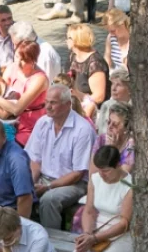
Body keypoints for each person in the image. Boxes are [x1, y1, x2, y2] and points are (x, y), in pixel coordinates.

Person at [25, 85, 96, 231]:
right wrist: (30, 183)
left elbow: (78, 173)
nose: (48, 107)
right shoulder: (42, 123)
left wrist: (48, 187)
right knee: (21, 188)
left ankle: (51, 244)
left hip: (74, 184)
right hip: (44, 177)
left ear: (67, 105)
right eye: (46, 102)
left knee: (49, 199)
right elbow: (35, 161)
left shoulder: (82, 129)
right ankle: (24, 238)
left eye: (53, 103)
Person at [63, 148, 133, 252]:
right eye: (99, 169)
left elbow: (125, 223)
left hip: (121, 235)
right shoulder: (95, 179)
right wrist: (87, 233)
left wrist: (94, 238)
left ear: (118, 165)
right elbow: (89, 211)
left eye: (106, 170)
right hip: (97, 228)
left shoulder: (129, 186)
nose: (101, 174)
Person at [0, 41, 49, 146]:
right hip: (8, 121)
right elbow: (1, 91)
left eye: (24, 60)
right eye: (16, 56)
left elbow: (17, 109)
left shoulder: (39, 79)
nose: (18, 62)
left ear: (33, 60)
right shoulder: (12, 67)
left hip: (31, 125)